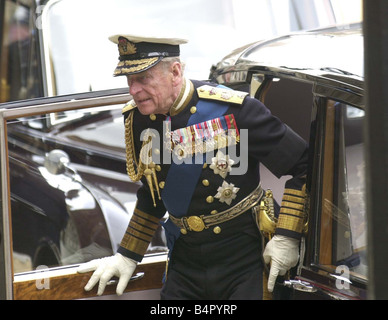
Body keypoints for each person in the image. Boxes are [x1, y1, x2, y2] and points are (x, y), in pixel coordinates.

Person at [77, 34, 308, 299]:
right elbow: (153, 195)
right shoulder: (142, 119)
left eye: (143, 79)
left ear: (175, 71)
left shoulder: (234, 110)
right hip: (186, 261)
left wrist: (287, 235)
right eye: (130, 81)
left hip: (244, 257)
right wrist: (127, 255)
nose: (133, 91)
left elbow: (303, 165)